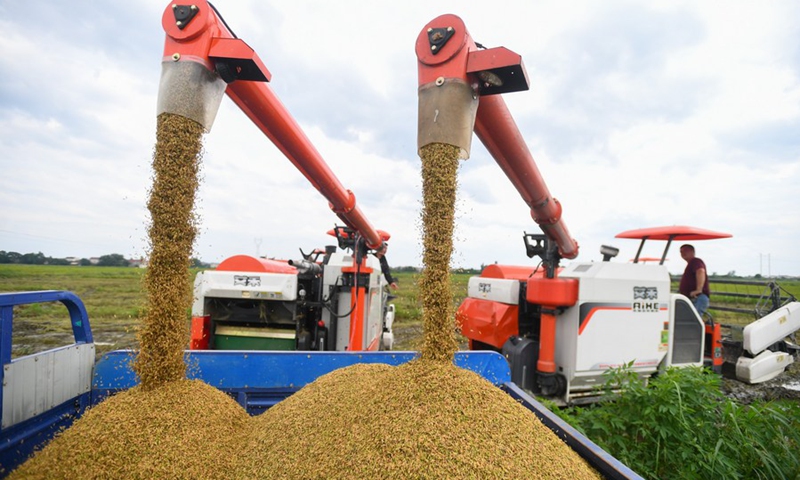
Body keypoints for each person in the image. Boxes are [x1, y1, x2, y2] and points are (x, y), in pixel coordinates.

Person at [679, 244, 710, 317]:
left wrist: (698, 290)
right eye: (681, 252)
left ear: (692, 252)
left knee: (693, 318)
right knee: (689, 318)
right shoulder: (691, 263)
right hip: (692, 298)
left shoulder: (695, 261)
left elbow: (700, 271)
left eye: (686, 251)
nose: (683, 253)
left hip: (697, 298)